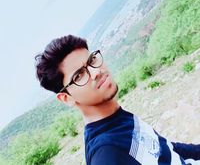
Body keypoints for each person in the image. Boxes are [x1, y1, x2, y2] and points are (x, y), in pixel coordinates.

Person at [35, 34, 200, 165]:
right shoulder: (106, 153)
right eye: (79, 75)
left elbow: (166, 151)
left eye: (92, 60)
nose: (96, 72)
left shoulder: (118, 118)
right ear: (66, 98)